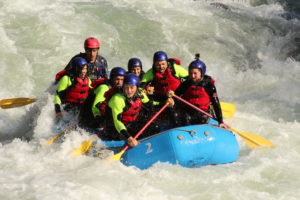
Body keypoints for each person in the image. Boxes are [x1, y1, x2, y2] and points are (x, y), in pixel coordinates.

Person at [102, 73, 174, 147]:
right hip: (115, 129)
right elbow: (117, 122)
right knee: (126, 136)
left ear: (137, 87)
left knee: (154, 127)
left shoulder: (139, 94)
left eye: (132, 87)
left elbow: (150, 104)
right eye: (126, 87)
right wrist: (129, 138)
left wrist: (165, 103)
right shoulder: (117, 99)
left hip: (130, 123)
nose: (129, 91)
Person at [168, 58, 229, 129]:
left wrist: (220, 121)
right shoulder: (186, 84)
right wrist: (170, 96)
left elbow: (216, 104)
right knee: (180, 118)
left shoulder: (209, 86)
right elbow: (175, 96)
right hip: (187, 112)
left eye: (195, 73)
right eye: (190, 73)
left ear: (201, 73)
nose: (192, 76)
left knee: (200, 120)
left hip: (202, 113)